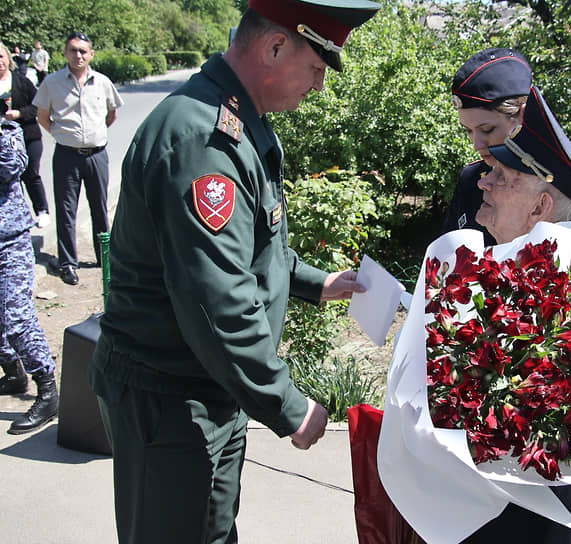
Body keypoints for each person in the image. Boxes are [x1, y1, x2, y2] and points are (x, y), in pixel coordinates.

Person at [88, 1, 379, 542]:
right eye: (317, 69)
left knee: (210, 531)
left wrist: (318, 284)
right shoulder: (205, 141)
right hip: (170, 399)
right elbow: (216, 301)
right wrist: (288, 404)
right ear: (273, 48)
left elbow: (252, 252)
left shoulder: (241, 119)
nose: (319, 87)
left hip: (208, 387)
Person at [461, 85, 571, 543]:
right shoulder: (511, 267)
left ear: (540, 206)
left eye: (502, 176)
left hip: (528, 522)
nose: (482, 182)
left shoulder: (562, 301)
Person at [442, 48, 571, 246]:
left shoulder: (564, 185)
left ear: (522, 115)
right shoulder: (472, 178)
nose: (477, 144)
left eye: (488, 129)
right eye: (468, 130)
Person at [33, 32, 123, 286]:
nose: (78, 55)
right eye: (73, 50)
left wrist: (93, 135)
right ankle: (68, 263)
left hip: (96, 155)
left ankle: (103, 258)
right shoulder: (52, 82)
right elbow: (42, 116)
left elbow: (111, 114)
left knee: (99, 208)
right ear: (64, 53)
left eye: (83, 51)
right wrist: (63, 135)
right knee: (66, 210)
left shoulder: (103, 82)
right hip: (66, 156)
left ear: (91, 54)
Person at [0, 119, 58, 435]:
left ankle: (48, 391)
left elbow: (13, 166)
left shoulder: (8, 132)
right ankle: (13, 374)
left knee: (16, 319)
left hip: (9, 241)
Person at [0, 41, 50, 228]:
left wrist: (20, 114)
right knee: (9, 179)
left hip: (28, 136)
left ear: (8, 58)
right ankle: (19, 215)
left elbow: (38, 105)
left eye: (1, 57)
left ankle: (42, 210)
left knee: (30, 173)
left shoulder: (21, 81)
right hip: (3, 140)